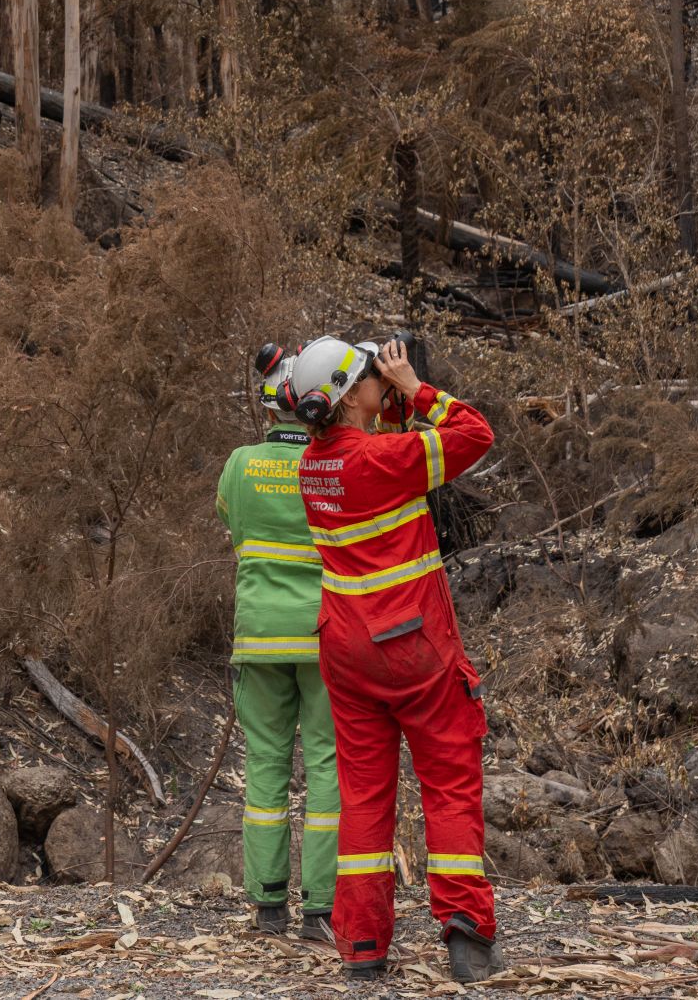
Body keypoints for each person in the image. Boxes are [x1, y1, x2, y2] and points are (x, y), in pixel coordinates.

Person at [280, 332, 499, 986]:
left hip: (346, 652)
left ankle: (364, 946)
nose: (382, 377)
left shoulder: (312, 466)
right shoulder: (385, 460)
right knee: (450, 782)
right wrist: (415, 388)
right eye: (369, 374)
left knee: (366, 799)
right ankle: (466, 934)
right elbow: (474, 433)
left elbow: (378, 451)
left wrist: (388, 397)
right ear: (350, 398)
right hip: (414, 648)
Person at [215, 345, 340, 942]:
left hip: (258, 638)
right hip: (324, 639)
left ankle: (268, 905)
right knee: (325, 768)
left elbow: (230, 522)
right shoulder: (329, 464)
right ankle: (320, 908)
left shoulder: (240, 464)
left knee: (265, 770)